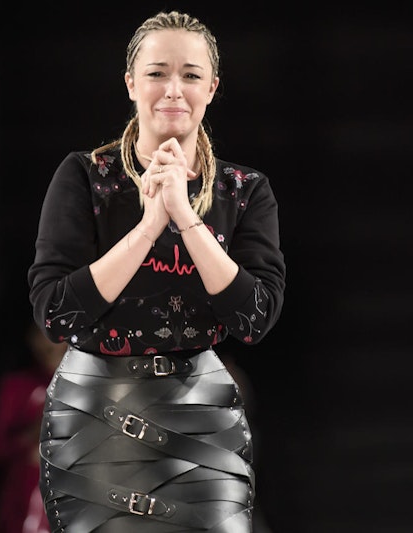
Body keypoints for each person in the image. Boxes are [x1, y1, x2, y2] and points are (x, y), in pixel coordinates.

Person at [27, 10, 286, 533]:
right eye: (156, 73)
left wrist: (185, 216)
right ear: (130, 83)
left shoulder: (243, 191)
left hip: (202, 415)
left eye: (190, 75)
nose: (173, 89)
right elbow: (56, 314)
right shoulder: (85, 176)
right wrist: (148, 226)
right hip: (97, 414)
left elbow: (255, 318)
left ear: (211, 88)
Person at [0, 321, 66, 533]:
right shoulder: (16, 386)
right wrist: (31, 434)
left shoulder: (85, 387)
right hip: (25, 499)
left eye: (55, 337)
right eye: (40, 335)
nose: (48, 344)